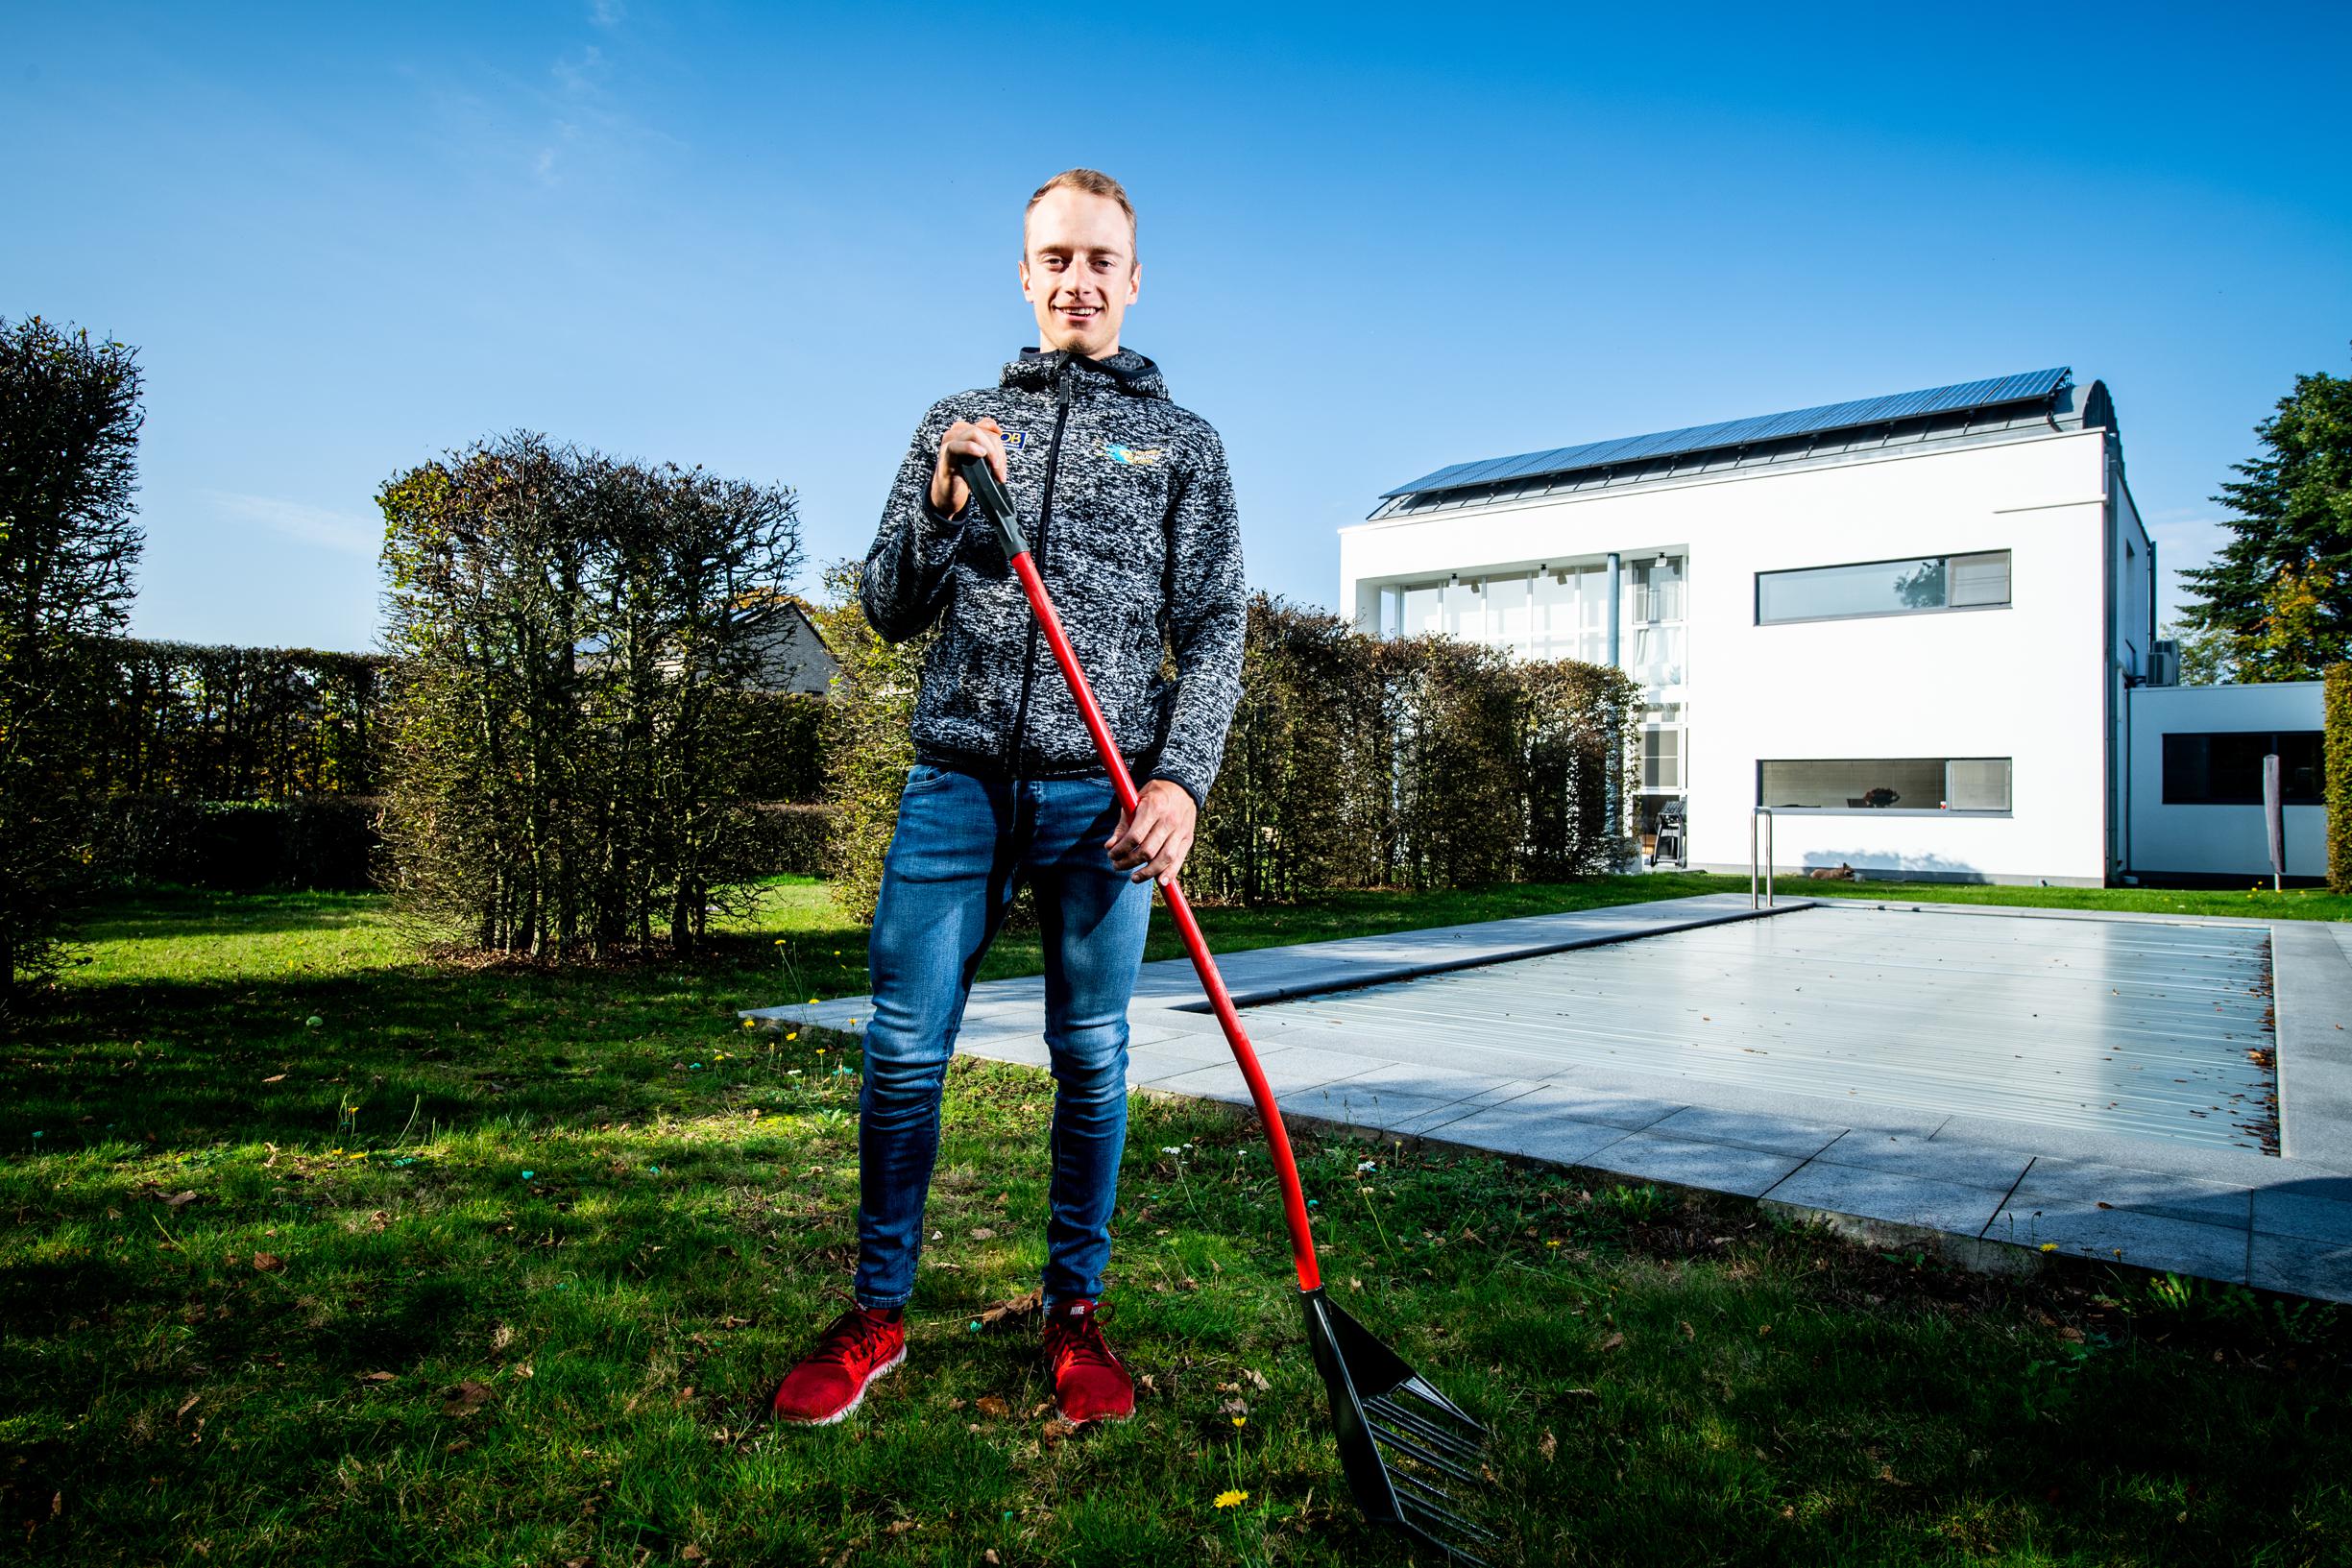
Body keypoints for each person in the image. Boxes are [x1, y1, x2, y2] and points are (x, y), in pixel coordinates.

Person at [763, 169, 1246, 1428]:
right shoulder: (960, 420)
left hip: (1103, 798)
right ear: (1023, 276)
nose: (1077, 280)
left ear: (1133, 281)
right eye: (1055, 259)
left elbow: (1212, 623)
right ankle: (877, 1314)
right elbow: (884, 606)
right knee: (902, 1053)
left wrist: (1180, 777)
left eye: (1100, 260)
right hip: (955, 785)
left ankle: (1074, 1315)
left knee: (1091, 1059)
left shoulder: (1183, 443)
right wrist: (936, 502)